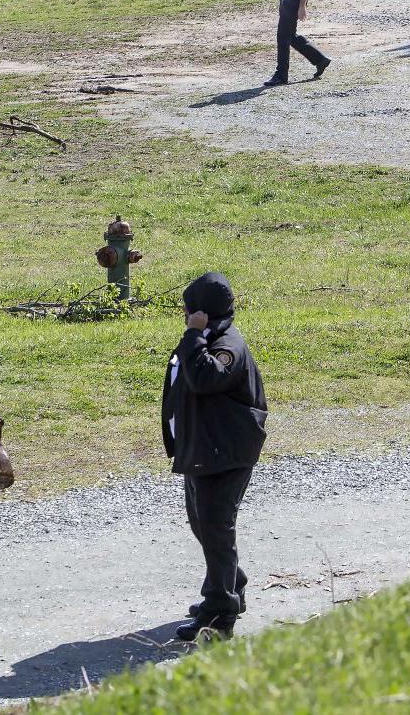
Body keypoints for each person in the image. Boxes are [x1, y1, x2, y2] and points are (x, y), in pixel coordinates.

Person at [161, 272, 267, 642]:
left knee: (215, 528)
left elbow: (205, 378)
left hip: (226, 452)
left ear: (201, 313)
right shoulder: (208, 338)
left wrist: (192, 333)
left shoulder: (226, 345)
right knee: (202, 524)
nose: (184, 314)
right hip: (205, 447)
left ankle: (220, 614)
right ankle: (231, 585)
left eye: (189, 310)